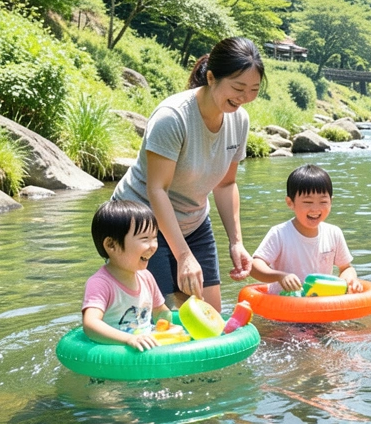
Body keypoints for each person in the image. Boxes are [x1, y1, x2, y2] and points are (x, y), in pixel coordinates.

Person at [111, 37, 263, 312]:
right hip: (139, 222)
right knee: (166, 316)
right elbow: (157, 189)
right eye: (238, 87)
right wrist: (183, 256)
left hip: (193, 221)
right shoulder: (173, 117)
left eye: (253, 89)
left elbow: (226, 184)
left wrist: (236, 242)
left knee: (210, 316)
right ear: (211, 77)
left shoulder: (239, 119)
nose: (244, 98)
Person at [237, 164, 364, 293]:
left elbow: (346, 268)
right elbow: (255, 266)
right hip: (285, 304)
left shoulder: (334, 233)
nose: (315, 209)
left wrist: (349, 280)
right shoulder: (280, 233)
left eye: (323, 202)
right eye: (308, 202)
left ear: (331, 201)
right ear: (290, 203)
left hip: (320, 302)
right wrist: (280, 276)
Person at [81, 200, 171, 349]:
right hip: (115, 360)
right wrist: (129, 339)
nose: (153, 246)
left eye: (154, 238)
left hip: (145, 353)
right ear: (111, 245)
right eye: (145, 239)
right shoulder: (100, 283)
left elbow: (161, 314)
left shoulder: (146, 277)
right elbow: (90, 325)